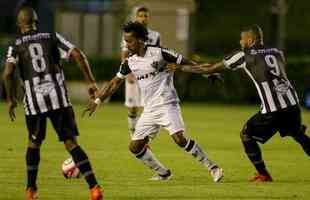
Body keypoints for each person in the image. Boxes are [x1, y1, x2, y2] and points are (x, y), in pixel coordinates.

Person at [84, 21, 224, 182]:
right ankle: (164, 173)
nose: (126, 44)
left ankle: (213, 167)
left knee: (180, 139)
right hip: (149, 109)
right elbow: (115, 82)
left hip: (167, 103)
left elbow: (187, 62)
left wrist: (208, 73)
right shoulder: (130, 61)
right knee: (134, 147)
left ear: (140, 40)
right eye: (125, 41)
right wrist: (98, 100)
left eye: (129, 41)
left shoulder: (160, 53)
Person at [169, 24, 310, 182]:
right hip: (292, 104)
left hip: (273, 109)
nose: (240, 41)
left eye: (242, 39)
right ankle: (267, 169)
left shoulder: (243, 54)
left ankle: (263, 174)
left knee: (246, 134)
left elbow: (210, 68)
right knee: (299, 135)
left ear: (250, 39)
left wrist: (182, 68)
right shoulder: (277, 52)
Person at [2, 7, 103, 200]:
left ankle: (31, 190)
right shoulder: (51, 36)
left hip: (34, 102)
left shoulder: (15, 45)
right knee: (71, 143)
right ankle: (94, 188)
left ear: (18, 24)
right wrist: (91, 82)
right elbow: (78, 54)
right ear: (36, 22)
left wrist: (10, 99)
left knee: (34, 143)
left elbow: (7, 73)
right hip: (59, 99)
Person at [121, 6, 161, 135]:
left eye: (145, 16)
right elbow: (124, 53)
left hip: (149, 76)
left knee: (148, 106)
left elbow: (158, 54)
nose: (143, 18)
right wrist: (128, 73)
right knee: (133, 108)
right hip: (133, 74)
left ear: (149, 18)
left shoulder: (155, 35)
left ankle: (143, 136)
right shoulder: (129, 34)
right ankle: (133, 134)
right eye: (141, 16)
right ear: (136, 17)